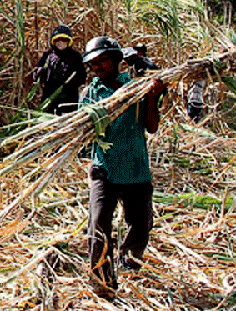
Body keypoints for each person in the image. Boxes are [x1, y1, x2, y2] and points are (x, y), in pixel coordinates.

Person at [79, 36, 167, 300]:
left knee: (141, 224)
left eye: (103, 60)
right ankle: (102, 282)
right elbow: (85, 132)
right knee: (98, 223)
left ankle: (128, 267)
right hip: (104, 169)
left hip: (135, 169)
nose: (98, 66)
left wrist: (151, 98)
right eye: (93, 63)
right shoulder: (90, 94)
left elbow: (151, 127)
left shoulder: (136, 89)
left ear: (117, 60)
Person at [32, 25, 86, 115]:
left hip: (68, 99)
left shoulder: (76, 56)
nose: (60, 42)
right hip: (49, 98)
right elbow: (37, 72)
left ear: (68, 41)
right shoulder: (48, 54)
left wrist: (69, 85)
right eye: (57, 40)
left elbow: (82, 76)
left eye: (63, 40)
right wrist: (38, 72)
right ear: (53, 41)